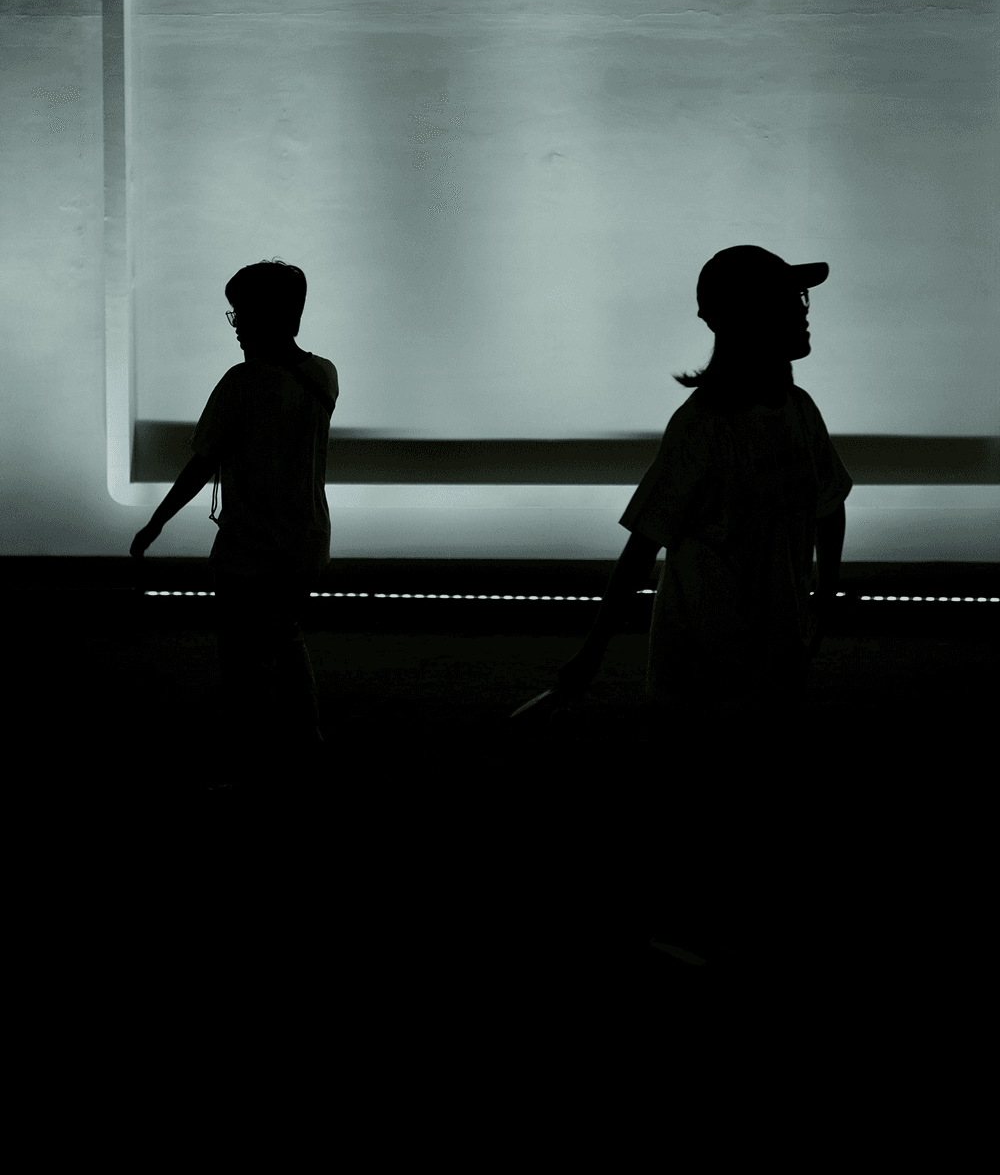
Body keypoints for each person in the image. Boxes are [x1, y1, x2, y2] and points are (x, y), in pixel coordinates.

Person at [129, 246, 851, 840]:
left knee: (250, 654)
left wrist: (159, 521)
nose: (804, 313)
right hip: (718, 652)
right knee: (721, 788)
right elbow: (810, 507)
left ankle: (263, 768)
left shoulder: (755, 417)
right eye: (793, 301)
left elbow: (688, 535)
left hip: (755, 642)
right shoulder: (318, 377)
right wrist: (823, 591)